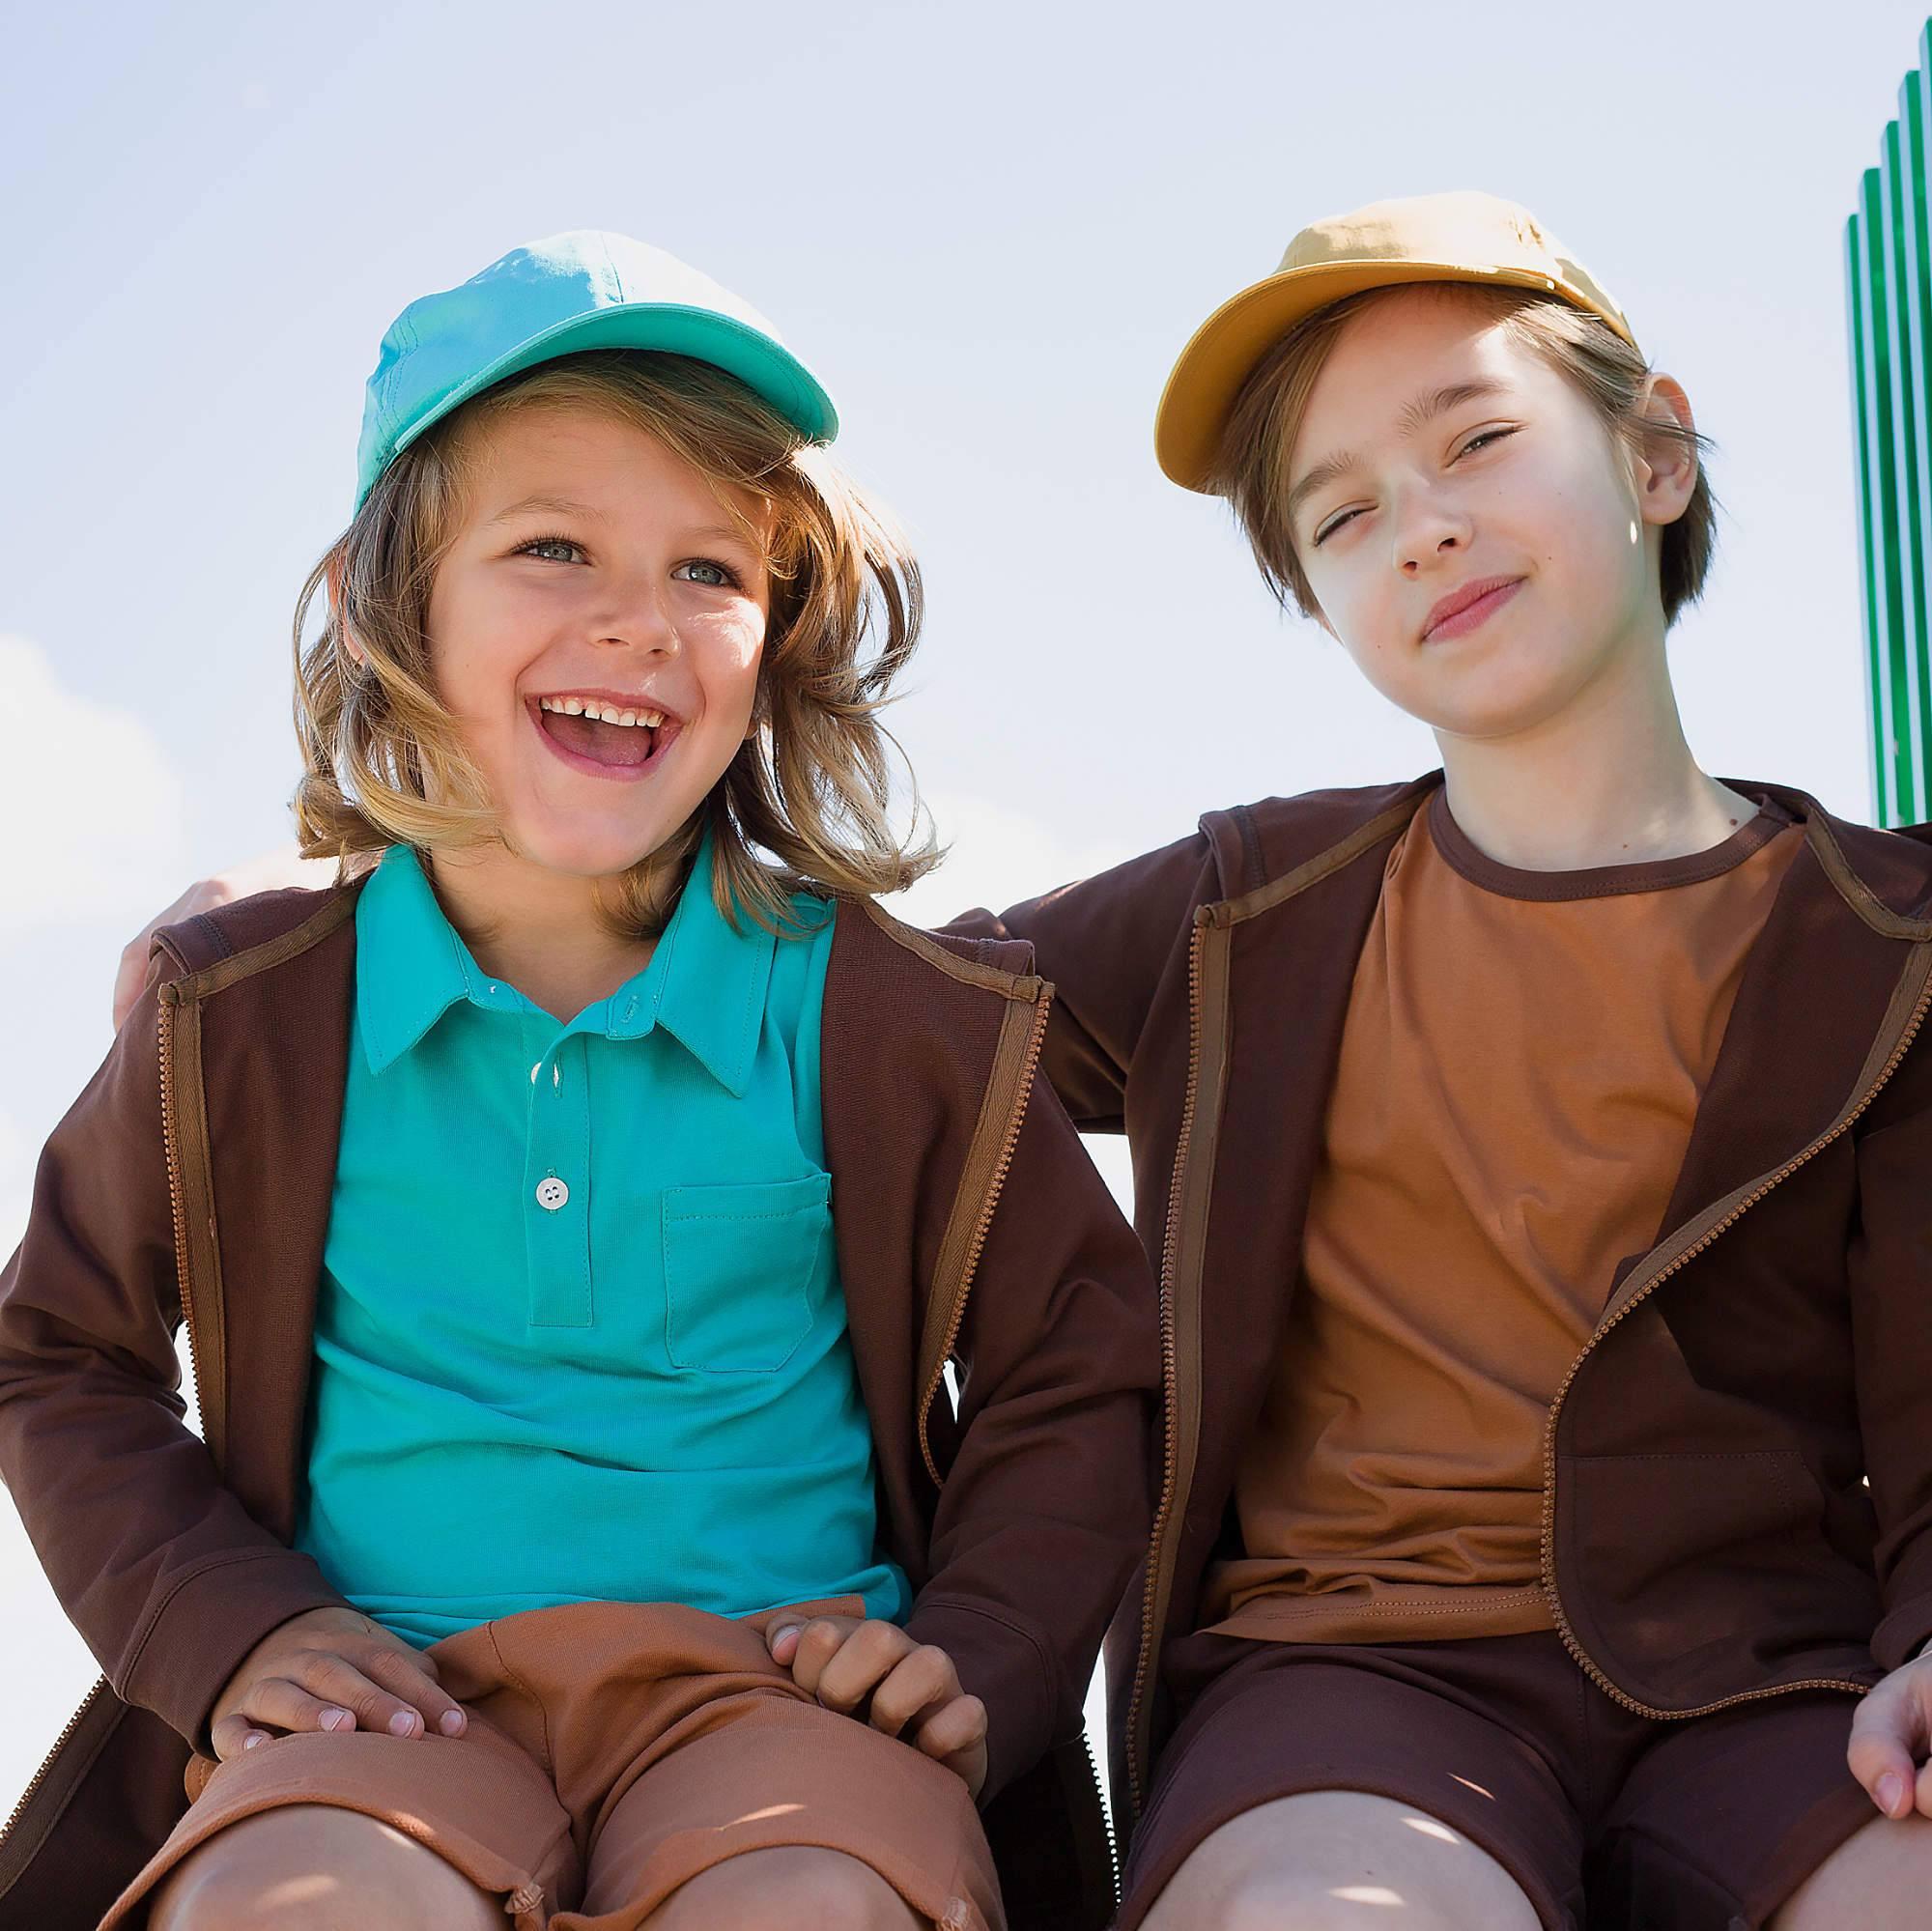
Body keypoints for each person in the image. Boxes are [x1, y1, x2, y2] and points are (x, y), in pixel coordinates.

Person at [0, 231, 1155, 1931]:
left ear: (780, 632)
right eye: (553, 548)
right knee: (285, 1910)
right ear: (398, 603)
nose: (639, 622)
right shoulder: (239, 1015)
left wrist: (968, 1650)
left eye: (710, 570)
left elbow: (1082, 1363)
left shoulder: (894, 1019)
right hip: (387, 1707)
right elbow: (59, 1350)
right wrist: (226, 1625)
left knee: (811, 1912)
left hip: (779, 1711)